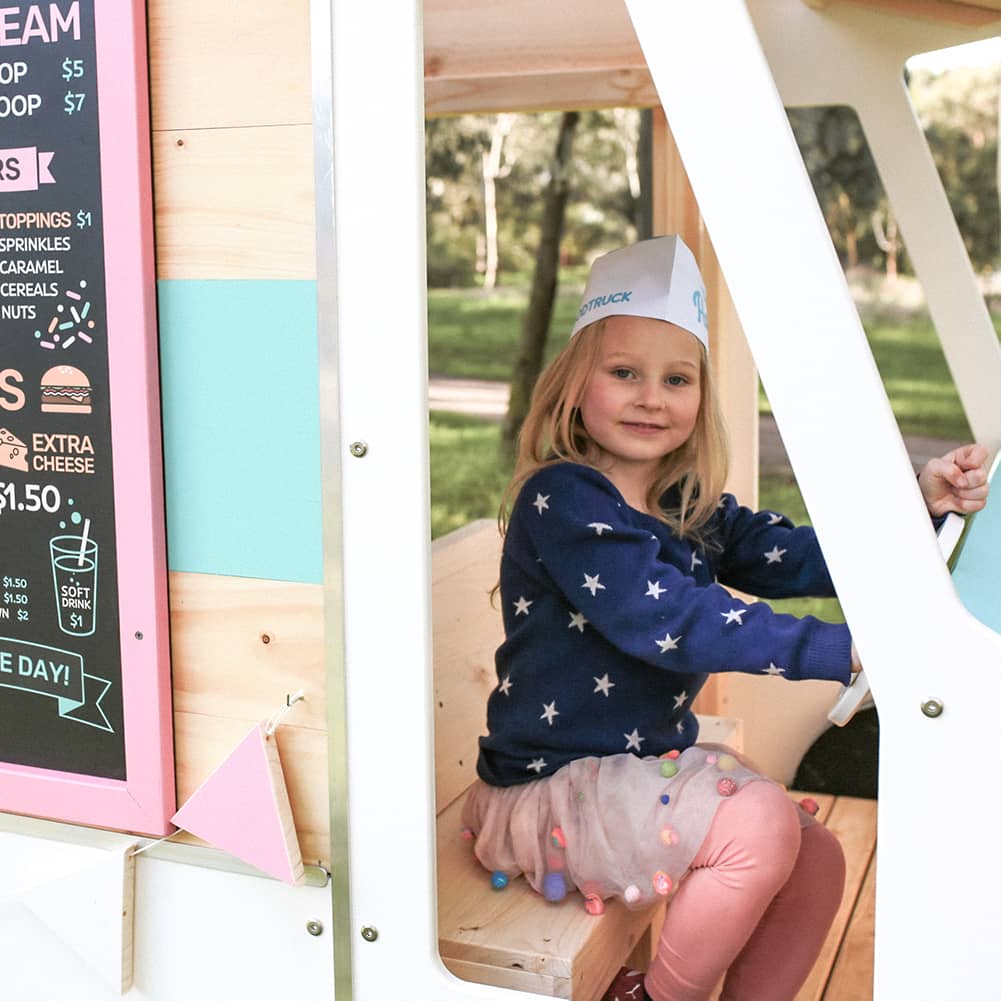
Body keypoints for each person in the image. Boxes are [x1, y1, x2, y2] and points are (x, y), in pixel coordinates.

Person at [460, 235, 990, 1001]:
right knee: (762, 825)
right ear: (574, 384)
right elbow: (674, 618)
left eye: (677, 378)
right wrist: (842, 648)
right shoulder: (567, 500)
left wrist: (916, 503)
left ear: (700, 396)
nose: (651, 395)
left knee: (817, 860)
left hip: (633, 773)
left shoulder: (683, 504)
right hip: (548, 790)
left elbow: (794, 556)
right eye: (623, 373)